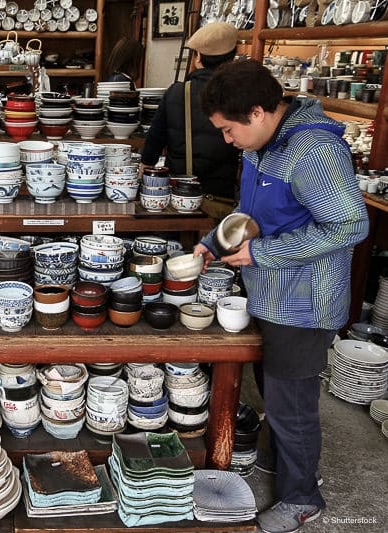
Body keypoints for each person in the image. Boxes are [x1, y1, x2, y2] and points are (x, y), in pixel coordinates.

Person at [194, 59, 369, 533]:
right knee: (273, 390)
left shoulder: (312, 150)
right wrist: (214, 242)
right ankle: (286, 462)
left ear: (257, 112)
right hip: (266, 293)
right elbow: (249, 212)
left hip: (302, 301)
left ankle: (302, 498)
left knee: (292, 403)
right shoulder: (265, 142)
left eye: (229, 131)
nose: (227, 141)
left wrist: (263, 254)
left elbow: (352, 224)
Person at [141, 22, 241, 216]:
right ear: (231, 60)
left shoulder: (177, 93)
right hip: (221, 197)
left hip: (179, 195)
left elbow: (153, 144)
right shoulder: (240, 96)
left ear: (198, 58)